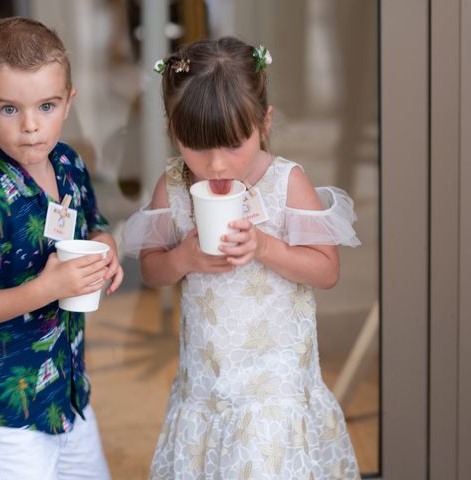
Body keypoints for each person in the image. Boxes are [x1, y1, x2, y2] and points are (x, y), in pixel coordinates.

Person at [123, 37, 361, 479]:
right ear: (174, 130)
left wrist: (265, 247)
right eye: (196, 147)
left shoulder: (286, 183)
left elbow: (326, 270)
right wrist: (185, 259)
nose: (215, 165)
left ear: (264, 122)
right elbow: (153, 268)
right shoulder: (174, 186)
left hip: (275, 392)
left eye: (233, 145)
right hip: (207, 390)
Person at [0, 17, 122, 480]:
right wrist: (50, 286)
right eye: (8, 109)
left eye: (46, 105)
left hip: (66, 393)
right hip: (4, 406)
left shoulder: (69, 163)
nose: (30, 126)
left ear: (69, 102)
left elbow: (94, 222)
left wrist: (106, 247)